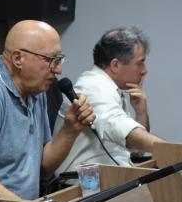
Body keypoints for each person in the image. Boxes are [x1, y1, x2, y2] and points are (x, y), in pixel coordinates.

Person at [0, 20, 95, 200]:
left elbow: (43, 168)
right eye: (51, 60)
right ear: (18, 59)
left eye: (59, 59)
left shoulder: (36, 91)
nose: (58, 69)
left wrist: (70, 130)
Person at [55, 26, 165, 174]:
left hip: (110, 178)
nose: (144, 70)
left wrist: (141, 112)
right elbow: (124, 132)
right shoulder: (93, 87)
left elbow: (136, 149)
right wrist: (173, 150)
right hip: (82, 183)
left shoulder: (110, 88)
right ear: (115, 65)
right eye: (140, 63)